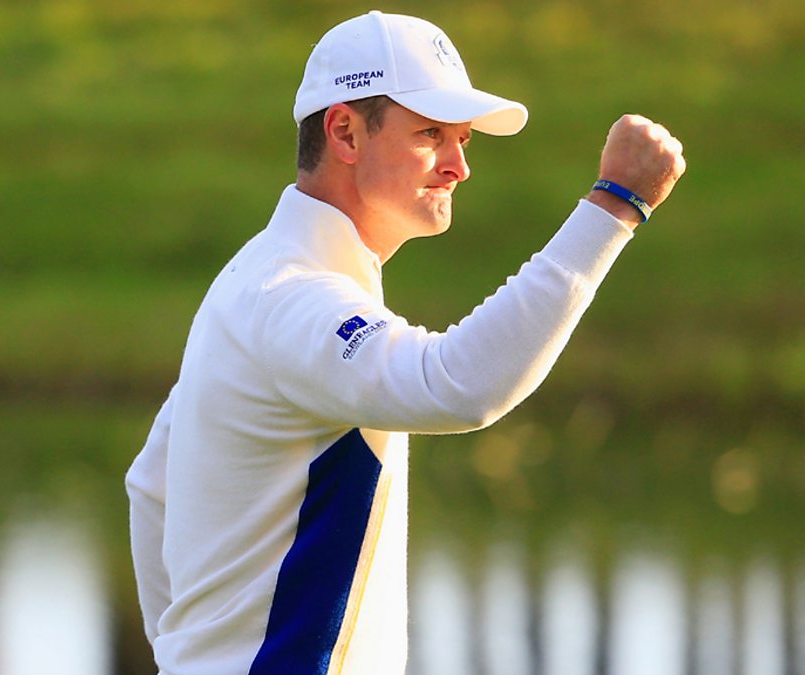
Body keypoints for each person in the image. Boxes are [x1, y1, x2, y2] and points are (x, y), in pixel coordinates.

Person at [125, 9, 685, 674]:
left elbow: (151, 484)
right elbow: (455, 383)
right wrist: (615, 205)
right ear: (345, 132)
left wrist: (185, 656)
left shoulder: (258, 276)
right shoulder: (290, 294)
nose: (459, 167)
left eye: (463, 140)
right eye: (430, 134)